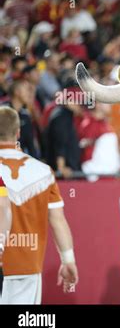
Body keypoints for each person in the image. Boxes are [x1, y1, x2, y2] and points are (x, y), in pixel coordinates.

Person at [0, 106, 78, 304]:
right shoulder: (43, 172)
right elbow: (57, 220)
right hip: (27, 264)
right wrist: (68, 260)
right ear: (18, 132)